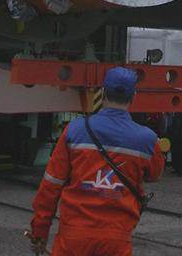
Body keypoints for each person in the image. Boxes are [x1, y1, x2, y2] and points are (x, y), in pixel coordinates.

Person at [27, 68, 164, 256]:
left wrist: (39, 232)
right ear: (134, 95)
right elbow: (154, 175)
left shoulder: (74, 131)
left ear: (103, 92)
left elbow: (50, 186)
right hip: (116, 242)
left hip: (73, 240)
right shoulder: (147, 139)